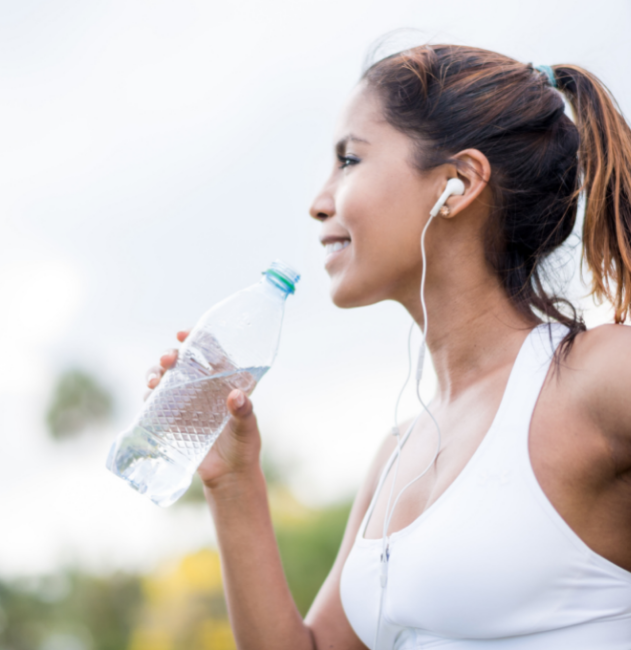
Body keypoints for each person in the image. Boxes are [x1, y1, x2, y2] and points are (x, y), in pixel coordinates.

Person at [145, 44, 631, 649]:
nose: (319, 201)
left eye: (349, 159)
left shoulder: (603, 378)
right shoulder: (396, 455)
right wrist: (233, 480)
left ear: (457, 184)